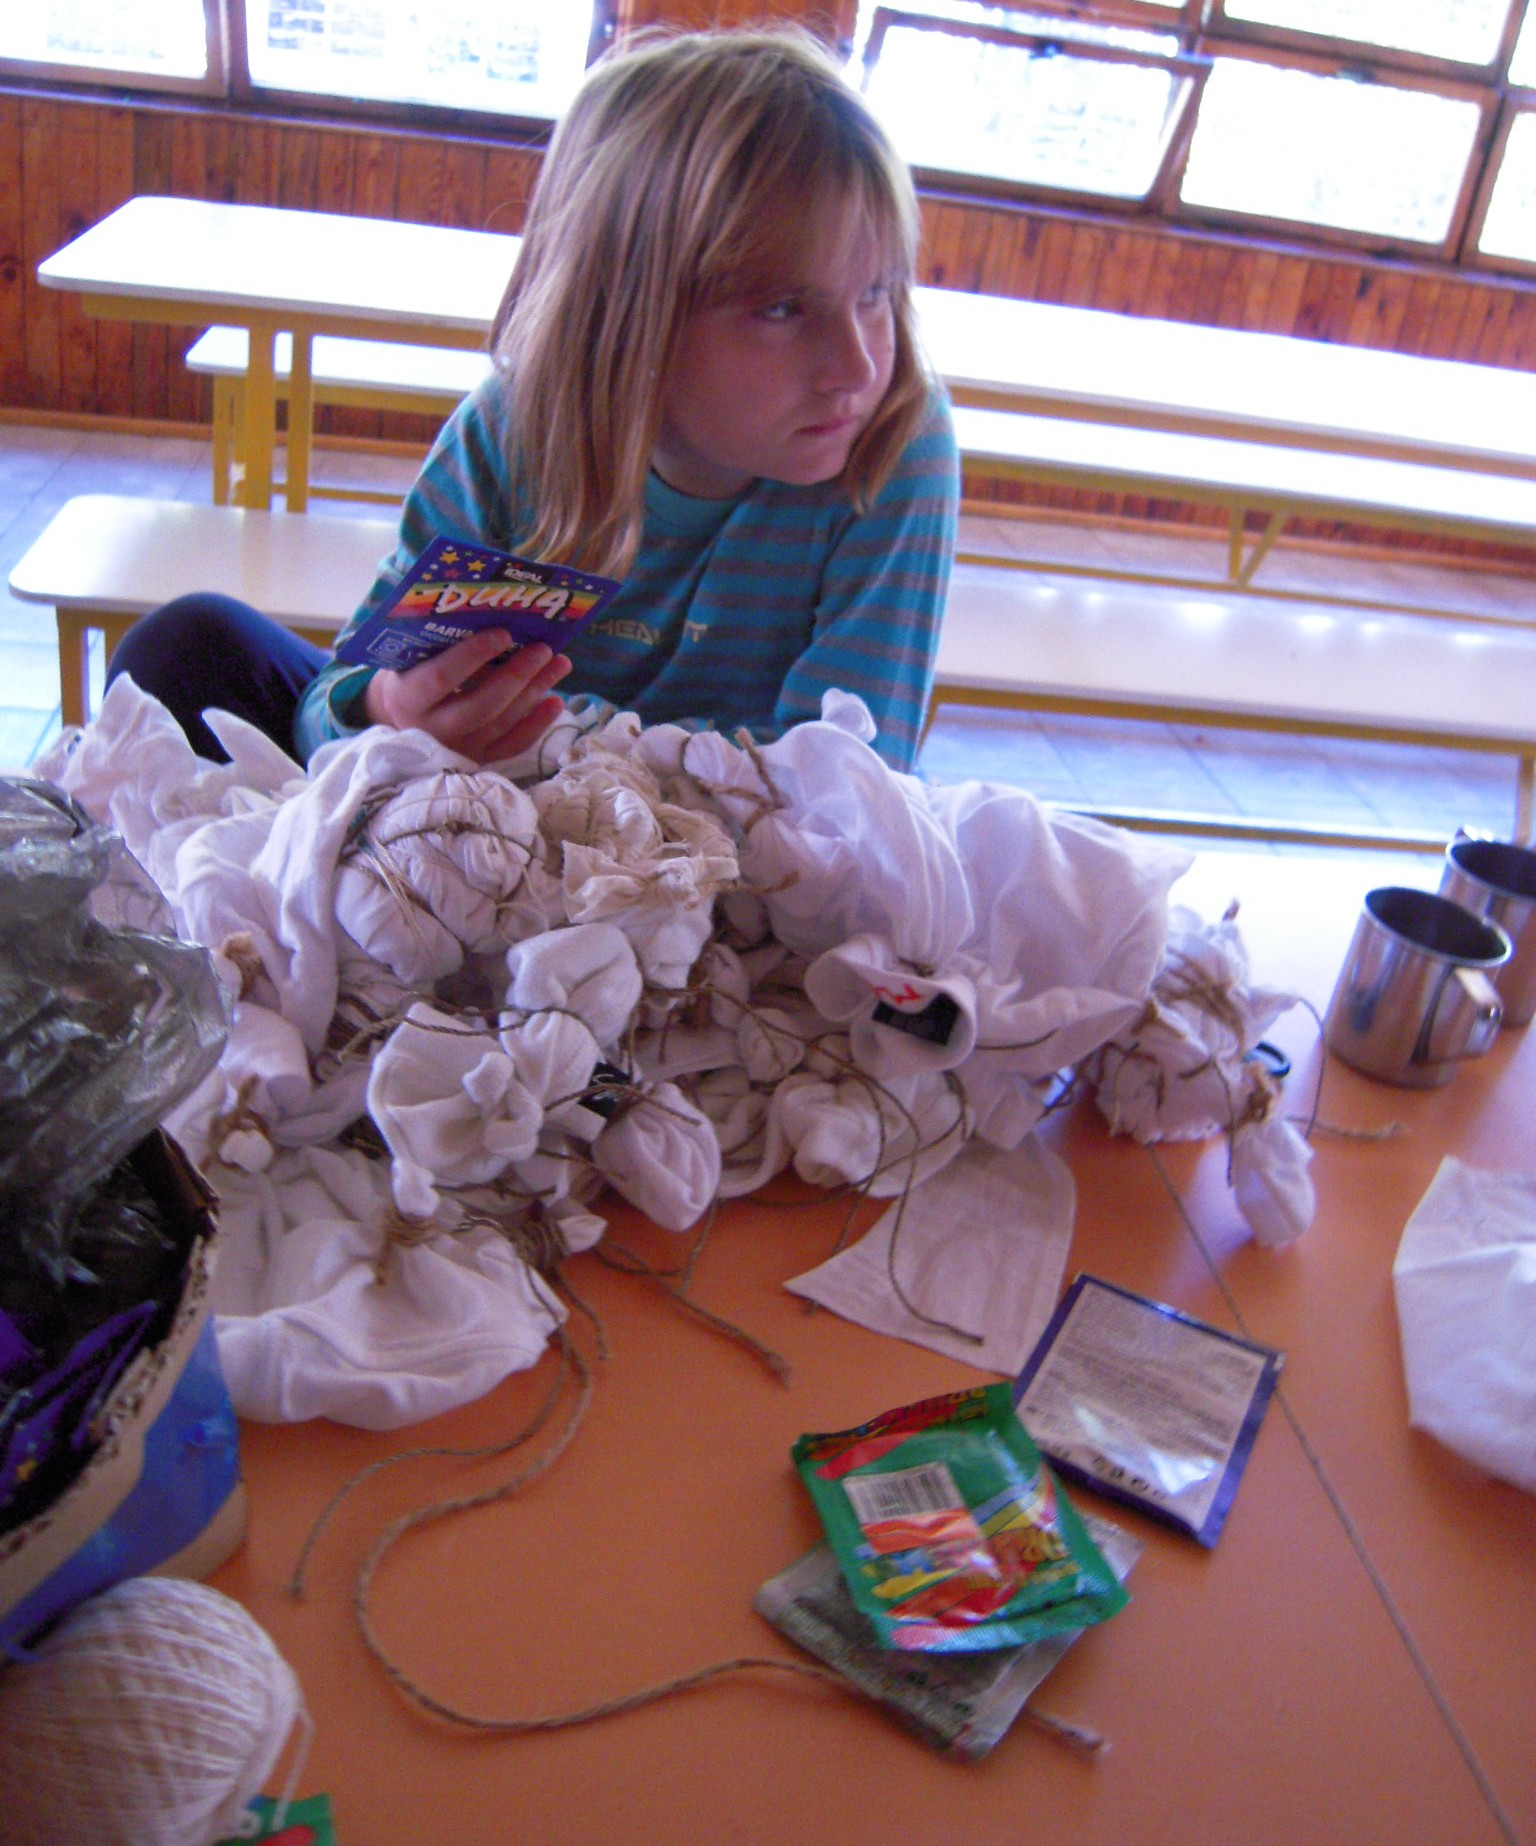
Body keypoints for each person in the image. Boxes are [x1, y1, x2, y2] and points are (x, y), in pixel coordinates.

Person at [110, 26, 959, 774]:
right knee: (186, 649)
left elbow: (849, 781)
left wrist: (547, 744)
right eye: (782, 309)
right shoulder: (514, 427)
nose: (857, 366)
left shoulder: (891, 439)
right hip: (479, 800)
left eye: (878, 293)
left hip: (716, 849)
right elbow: (338, 699)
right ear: (628, 315)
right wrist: (388, 711)